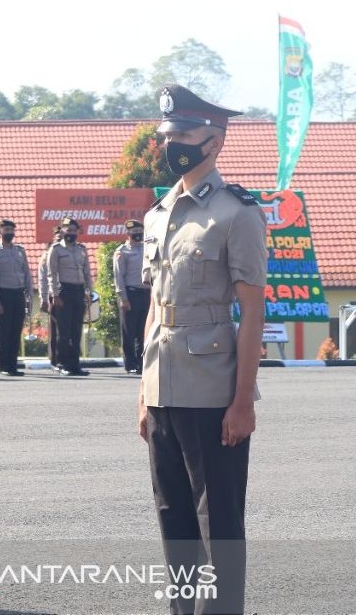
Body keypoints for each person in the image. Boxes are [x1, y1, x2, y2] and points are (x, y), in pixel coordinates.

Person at [139, 85, 266, 615]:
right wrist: (142, 394)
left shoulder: (237, 213)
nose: (171, 145)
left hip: (213, 389)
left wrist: (242, 402)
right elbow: (153, 308)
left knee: (218, 521)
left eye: (183, 136)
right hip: (163, 386)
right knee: (174, 517)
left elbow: (252, 314)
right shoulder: (158, 213)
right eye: (168, 136)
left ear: (214, 140)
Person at [46, 217, 92, 376]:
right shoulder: (56, 249)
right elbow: (52, 274)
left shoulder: (81, 249)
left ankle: (75, 364)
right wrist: (55, 295)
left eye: (73, 230)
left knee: (76, 331)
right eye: (67, 230)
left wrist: (88, 292)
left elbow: (87, 272)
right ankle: (62, 363)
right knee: (63, 332)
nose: (71, 233)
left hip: (78, 291)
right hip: (63, 292)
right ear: (62, 231)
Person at [0, 219, 32, 376]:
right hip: (3, 294)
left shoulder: (20, 251)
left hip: (18, 294)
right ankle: (3, 366)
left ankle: (13, 365)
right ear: (0, 232)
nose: (9, 233)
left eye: (11, 230)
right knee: (4, 332)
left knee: (16, 331)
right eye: (6, 229)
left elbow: (27, 275)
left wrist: (28, 295)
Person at [113, 218, 150, 374]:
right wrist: (123, 297)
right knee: (129, 331)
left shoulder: (147, 248)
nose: (137, 234)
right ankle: (130, 364)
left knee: (144, 331)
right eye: (134, 232)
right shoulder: (122, 251)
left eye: (139, 232)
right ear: (128, 234)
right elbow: (119, 276)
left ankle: (142, 363)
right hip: (131, 294)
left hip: (146, 293)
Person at [37, 226, 61, 369]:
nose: (59, 237)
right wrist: (44, 299)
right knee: (55, 330)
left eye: (61, 235)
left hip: (66, 294)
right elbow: (43, 280)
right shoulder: (47, 256)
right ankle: (55, 360)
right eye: (57, 235)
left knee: (67, 331)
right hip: (53, 296)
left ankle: (66, 359)